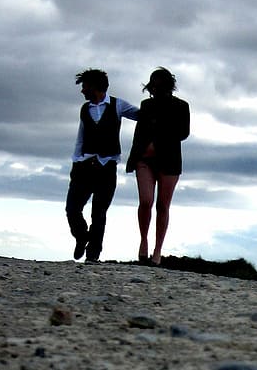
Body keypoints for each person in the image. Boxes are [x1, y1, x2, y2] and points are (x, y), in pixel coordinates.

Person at [65, 69, 140, 263]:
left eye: (85, 86)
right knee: (72, 208)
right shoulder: (84, 109)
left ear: (95, 87)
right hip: (84, 165)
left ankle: (93, 254)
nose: (82, 91)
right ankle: (82, 237)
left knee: (99, 212)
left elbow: (141, 115)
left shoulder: (117, 105)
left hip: (107, 167)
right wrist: (76, 160)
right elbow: (80, 136)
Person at [125, 67, 191, 266]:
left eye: (157, 85)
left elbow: (183, 133)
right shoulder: (146, 105)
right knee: (146, 201)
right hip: (145, 159)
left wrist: (159, 140)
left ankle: (157, 251)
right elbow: (139, 133)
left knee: (163, 205)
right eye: (152, 85)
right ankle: (144, 240)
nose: (154, 89)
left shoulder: (181, 106)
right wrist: (134, 157)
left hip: (169, 159)